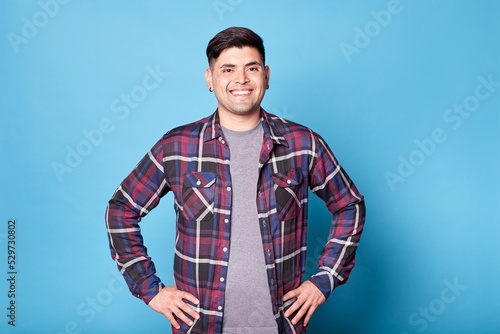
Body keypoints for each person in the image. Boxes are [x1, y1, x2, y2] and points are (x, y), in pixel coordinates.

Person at [105, 26, 365, 334]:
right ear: (210, 79)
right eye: (228, 69)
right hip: (200, 327)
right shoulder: (177, 146)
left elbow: (349, 204)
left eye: (251, 68)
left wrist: (325, 278)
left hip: (281, 326)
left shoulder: (303, 143)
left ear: (266, 76)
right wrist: (150, 289)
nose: (241, 79)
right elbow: (121, 209)